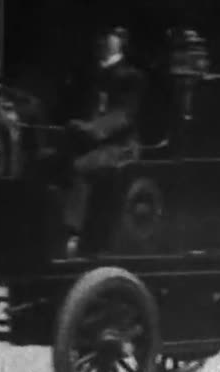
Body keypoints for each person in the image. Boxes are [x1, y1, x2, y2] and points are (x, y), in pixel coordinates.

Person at [59, 26, 144, 254]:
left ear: (121, 40)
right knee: (53, 163)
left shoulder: (130, 76)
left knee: (82, 167)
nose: (102, 41)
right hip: (94, 144)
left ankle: (75, 238)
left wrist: (91, 129)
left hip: (121, 147)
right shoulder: (93, 74)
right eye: (100, 36)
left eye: (109, 36)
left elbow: (124, 116)